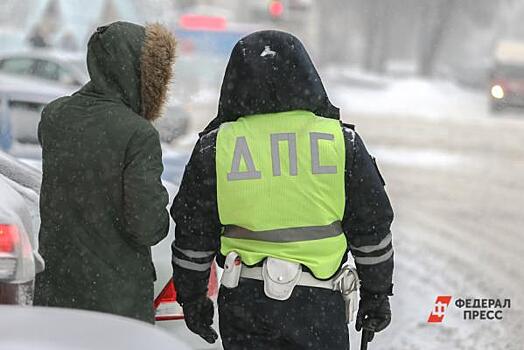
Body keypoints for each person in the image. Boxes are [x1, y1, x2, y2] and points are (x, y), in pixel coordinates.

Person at [171, 30, 394, 349]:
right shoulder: (342, 144)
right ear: (306, 75)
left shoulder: (217, 147)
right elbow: (371, 230)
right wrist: (376, 294)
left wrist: (192, 299)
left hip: (245, 306)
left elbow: (193, 234)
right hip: (319, 307)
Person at [34, 21, 176, 324]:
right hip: (116, 301)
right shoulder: (138, 134)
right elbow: (147, 225)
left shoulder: (55, 116)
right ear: (138, 72)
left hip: (55, 291)